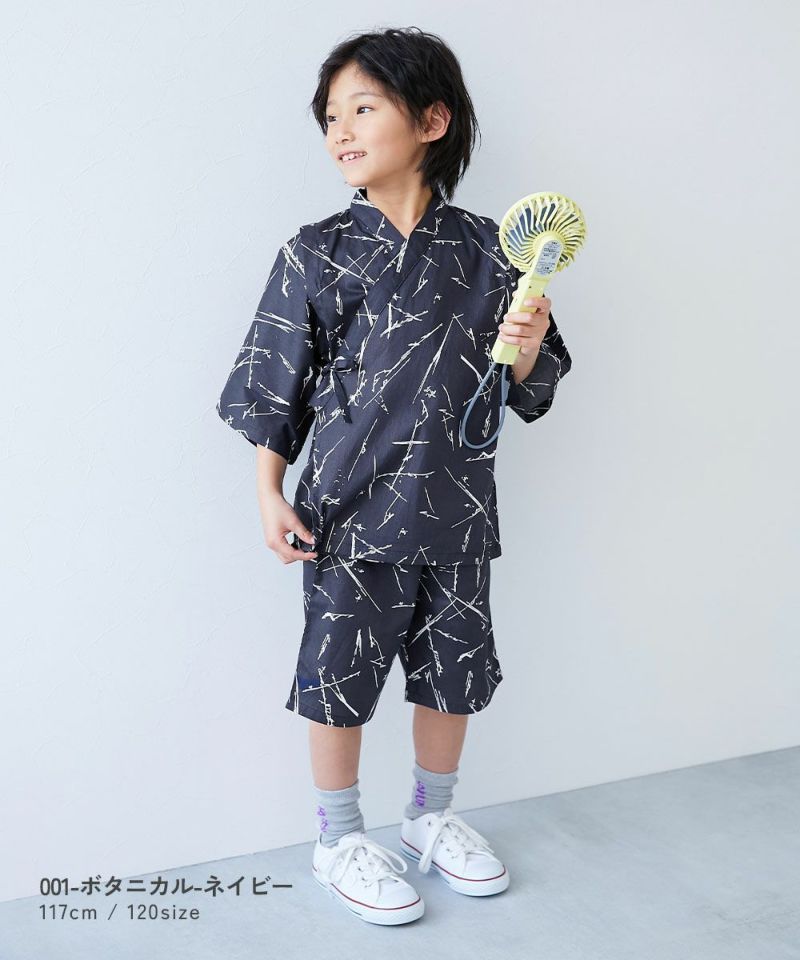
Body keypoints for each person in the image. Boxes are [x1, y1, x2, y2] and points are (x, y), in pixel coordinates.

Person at [217, 26, 572, 925]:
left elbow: (529, 388)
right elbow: (274, 384)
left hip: (457, 507)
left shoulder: (496, 251)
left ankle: (429, 818)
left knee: (452, 671)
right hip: (348, 511)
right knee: (338, 674)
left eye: (363, 108)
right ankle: (337, 837)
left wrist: (529, 347)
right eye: (330, 117)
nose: (340, 130)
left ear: (432, 120)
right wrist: (267, 492)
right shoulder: (315, 252)